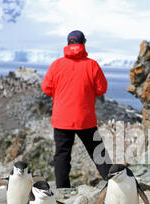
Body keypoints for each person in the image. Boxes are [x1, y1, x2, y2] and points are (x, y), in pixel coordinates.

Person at [41, 30, 112, 188]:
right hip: (85, 118)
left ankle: (62, 189)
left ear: (68, 43)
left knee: (62, 155)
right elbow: (102, 88)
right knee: (97, 151)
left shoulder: (56, 65)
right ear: (83, 43)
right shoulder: (91, 65)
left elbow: (46, 88)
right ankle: (114, 182)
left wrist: (59, 93)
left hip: (61, 119)